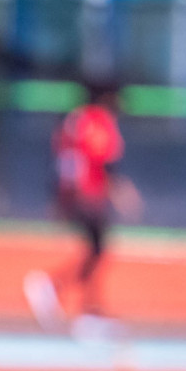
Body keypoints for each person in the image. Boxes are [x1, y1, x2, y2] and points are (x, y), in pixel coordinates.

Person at [24, 81, 141, 336]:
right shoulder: (98, 122)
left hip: (76, 192)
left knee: (95, 249)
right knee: (97, 248)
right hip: (89, 193)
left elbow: (64, 161)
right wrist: (119, 190)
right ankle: (66, 295)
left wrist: (60, 195)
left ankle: (82, 304)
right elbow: (103, 159)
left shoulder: (74, 121)